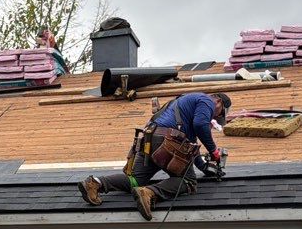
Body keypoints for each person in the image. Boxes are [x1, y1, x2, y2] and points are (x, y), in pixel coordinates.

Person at [78, 92, 231, 220]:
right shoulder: (206, 101)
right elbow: (200, 125)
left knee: (135, 180)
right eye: (220, 113)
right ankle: (150, 192)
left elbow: (191, 145)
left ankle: (95, 183)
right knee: (188, 181)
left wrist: (204, 167)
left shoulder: (183, 103)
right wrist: (214, 151)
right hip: (168, 142)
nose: (216, 117)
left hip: (150, 139)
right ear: (218, 101)